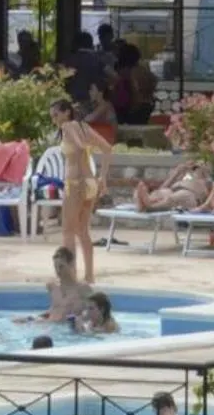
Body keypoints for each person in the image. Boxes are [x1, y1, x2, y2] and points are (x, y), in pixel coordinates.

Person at [49, 97, 113, 285]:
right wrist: (103, 178)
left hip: (75, 183)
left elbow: (79, 145)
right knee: (82, 230)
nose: (55, 119)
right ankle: (89, 275)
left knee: (68, 231)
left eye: (56, 114)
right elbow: (107, 149)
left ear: (66, 112)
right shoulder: (85, 127)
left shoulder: (68, 127)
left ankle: (71, 275)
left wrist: (80, 144)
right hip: (90, 182)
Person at [16, 245, 91, 327]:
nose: (58, 271)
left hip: (68, 328)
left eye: (61, 267)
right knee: (17, 322)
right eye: (55, 267)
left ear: (71, 264)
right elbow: (54, 310)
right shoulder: (52, 286)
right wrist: (31, 318)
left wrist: (76, 320)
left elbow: (92, 312)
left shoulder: (82, 288)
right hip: (51, 325)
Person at [132, 159, 213, 212]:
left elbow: (210, 197)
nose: (196, 168)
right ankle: (144, 204)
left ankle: (148, 206)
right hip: (173, 191)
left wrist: (204, 175)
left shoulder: (207, 181)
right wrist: (177, 172)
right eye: (195, 167)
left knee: (177, 196)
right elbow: (162, 188)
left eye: (198, 166)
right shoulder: (184, 175)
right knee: (157, 192)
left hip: (190, 195)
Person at [109, 42, 158, 125]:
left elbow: (131, 90)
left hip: (131, 109)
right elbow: (154, 81)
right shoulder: (144, 71)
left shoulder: (126, 72)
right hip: (147, 106)